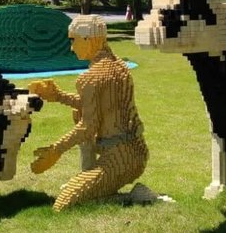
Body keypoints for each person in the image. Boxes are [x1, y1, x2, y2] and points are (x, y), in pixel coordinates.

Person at [29, 15, 148, 211]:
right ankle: (93, 181)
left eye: (73, 40)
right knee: (78, 112)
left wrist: (55, 151)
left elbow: (88, 126)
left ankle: (135, 197)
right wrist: (58, 96)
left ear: (89, 39)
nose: (71, 47)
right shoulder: (119, 67)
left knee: (63, 204)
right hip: (137, 152)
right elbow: (98, 107)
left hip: (120, 159)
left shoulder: (91, 77)